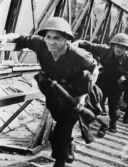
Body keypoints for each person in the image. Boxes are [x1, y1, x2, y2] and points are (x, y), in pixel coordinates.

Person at [0, 17, 102, 167]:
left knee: (60, 133)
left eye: (57, 38)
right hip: (54, 93)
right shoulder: (41, 44)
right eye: (48, 37)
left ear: (67, 40)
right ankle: (70, 144)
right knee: (60, 123)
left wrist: (82, 97)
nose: (51, 41)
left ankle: (60, 161)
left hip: (75, 95)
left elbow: (95, 71)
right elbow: (20, 37)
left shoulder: (79, 55)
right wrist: (3, 38)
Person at [73, 33, 128, 134]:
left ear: (126, 49)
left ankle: (112, 123)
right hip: (102, 85)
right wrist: (76, 44)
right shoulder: (104, 50)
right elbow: (88, 45)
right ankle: (101, 125)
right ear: (113, 45)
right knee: (96, 106)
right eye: (118, 46)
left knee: (114, 110)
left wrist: (127, 100)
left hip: (117, 88)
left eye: (123, 47)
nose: (119, 49)